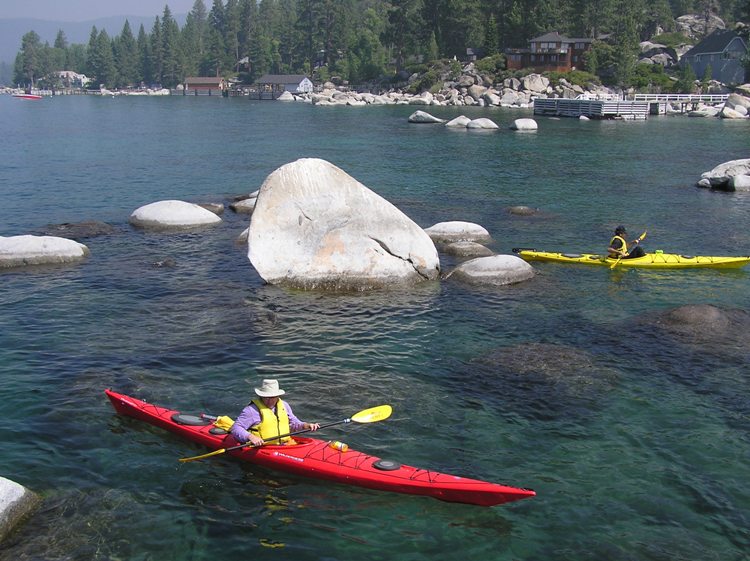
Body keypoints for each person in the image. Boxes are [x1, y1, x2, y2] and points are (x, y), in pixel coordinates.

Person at [230, 379, 320, 446]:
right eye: (266, 397)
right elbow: (236, 428)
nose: (269, 400)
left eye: (272, 397)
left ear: (278, 396)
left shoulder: (284, 405)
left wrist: (306, 425)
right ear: (261, 396)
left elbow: (294, 424)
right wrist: (250, 437)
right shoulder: (251, 410)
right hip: (262, 447)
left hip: (285, 444)